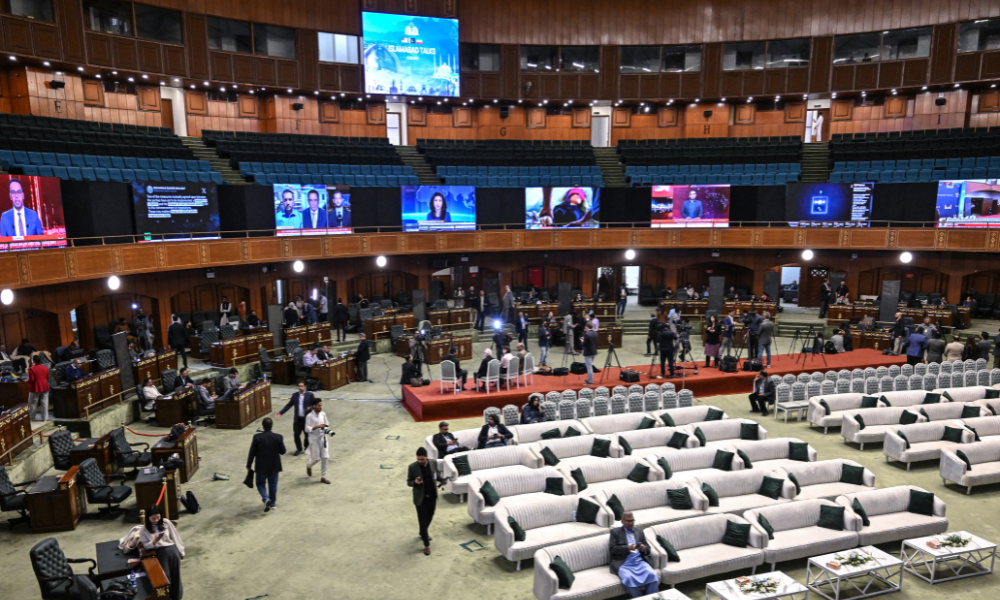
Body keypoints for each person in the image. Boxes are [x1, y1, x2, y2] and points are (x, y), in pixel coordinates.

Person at [122, 504, 185, 600]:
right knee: (164, 579)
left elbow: (175, 537)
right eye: (153, 518)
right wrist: (154, 541)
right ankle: (166, 597)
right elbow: (146, 546)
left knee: (176, 576)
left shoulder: (166, 523)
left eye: (158, 517)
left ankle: (177, 597)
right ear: (148, 518)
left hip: (172, 550)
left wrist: (181, 551)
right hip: (160, 553)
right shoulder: (144, 530)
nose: (156, 520)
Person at [610, 511, 659, 598]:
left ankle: (652, 598)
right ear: (622, 521)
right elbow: (612, 549)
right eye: (628, 521)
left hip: (639, 562)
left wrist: (643, 548)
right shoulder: (615, 532)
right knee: (628, 579)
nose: (631, 523)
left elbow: (648, 549)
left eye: (632, 520)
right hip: (624, 564)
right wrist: (627, 548)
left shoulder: (639, 532)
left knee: (652, 575)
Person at [247, 417, 285, 512]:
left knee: (260, 483)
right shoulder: (278, 437)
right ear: (272, 426)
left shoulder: (257, 438)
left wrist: (248, 465)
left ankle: (266, 498)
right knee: (273, 483)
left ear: (263, 427)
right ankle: (272, 504)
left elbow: (252, 452)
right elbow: (283, 451)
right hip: (274, 465)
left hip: (261, 466)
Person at [407, 447, 440, 555]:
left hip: (432, 496)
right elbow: (408, 482)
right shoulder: (412, 467)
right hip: (420, 499)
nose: (420, 461)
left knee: (429, 517)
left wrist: (442, 480)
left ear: (426, 457)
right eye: (418, 459)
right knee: (422, 520)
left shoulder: (433, 463)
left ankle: (423, 532)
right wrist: (415, 482)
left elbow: (437, 475)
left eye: (422, 459)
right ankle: (426, 545)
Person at [276, 381, 315, 455]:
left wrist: (309, 407)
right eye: (299, 386)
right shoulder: (295, 395)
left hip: (306, 419)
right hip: (297, 419)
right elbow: (289, 405)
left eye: (301, 386)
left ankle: (306, 447)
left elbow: (314, 405)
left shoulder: (310, 395)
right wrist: (281, 413)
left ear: (305, 387)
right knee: (296, 434)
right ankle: (299, 449)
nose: (300, 388)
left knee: (307, 434)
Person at [304, 399, 331, 484]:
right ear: (314, 406)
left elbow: (327, 424)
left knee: (325, 457)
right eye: (319, 405)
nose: (320, 407)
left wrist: (326, 429)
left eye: (321, 405)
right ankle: (309, 465)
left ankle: (323, 477)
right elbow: (306, 428)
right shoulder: (309, 416)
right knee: (316, 459)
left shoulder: (323, 414)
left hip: (323, 438)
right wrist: (316, 427)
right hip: (314, 439)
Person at [26, 354, 49, 422]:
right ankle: (45, 418)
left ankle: (32, 417)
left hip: (35, 388)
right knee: (44, 403)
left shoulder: (31, 369)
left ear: (33, 360)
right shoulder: (45, 367)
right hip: (45, 387)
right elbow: (47, 377)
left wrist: (26, 380)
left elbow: (32, 380)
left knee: (32, 403)